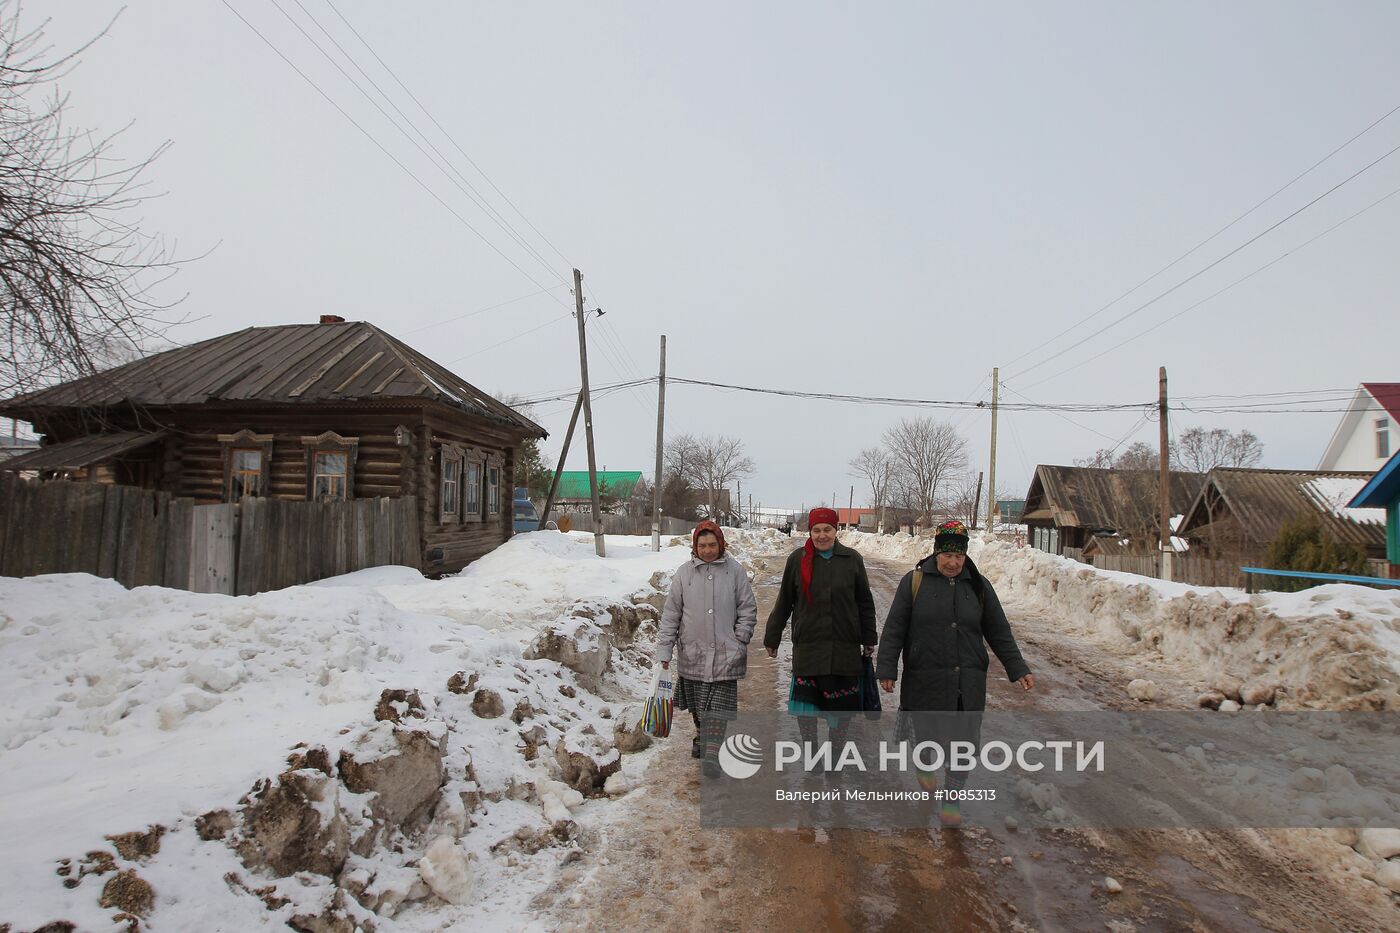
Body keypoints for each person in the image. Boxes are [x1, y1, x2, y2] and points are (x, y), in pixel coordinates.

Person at [877, 518, 1034, 827]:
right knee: (927, 736)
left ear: (965, 555)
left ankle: (952, 796)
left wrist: (1018, 668)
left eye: (958, 556)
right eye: (947, 555)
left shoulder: (978, 586)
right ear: (937, 552)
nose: (953, 562)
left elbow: (999, 631)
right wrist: (887, 668)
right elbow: (894, 628)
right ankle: (925, 765)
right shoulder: (914, 582)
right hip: (924, 678)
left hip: (967, 680)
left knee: (964, 742)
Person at [764, 507, 878, 769]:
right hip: (809, 647)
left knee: (840, 711)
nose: (822, 535)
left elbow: (864, 602)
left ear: (836, 531)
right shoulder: (797, 560)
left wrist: (868, 636)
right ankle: (813, 758)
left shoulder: (852, 560)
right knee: (807, 710)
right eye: (816, 530)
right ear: (810, 531)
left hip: (844, 647)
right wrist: (773, 636)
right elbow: (785, 601)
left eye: (827, 529)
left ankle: (836, 759)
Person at [655, 521, 758, 778]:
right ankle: (702, 736)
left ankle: (713, 753)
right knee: (700, 706)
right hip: (693, 651)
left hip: (726, 651)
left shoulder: (734, 571)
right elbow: (671, 616)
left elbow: (747, 608)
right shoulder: (683, 574)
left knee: (718, 706)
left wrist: (740, 638)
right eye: (702, 545)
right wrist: (664, 652)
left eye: (712, 545)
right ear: (695, 546)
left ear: (721, 544)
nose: (708, 550)